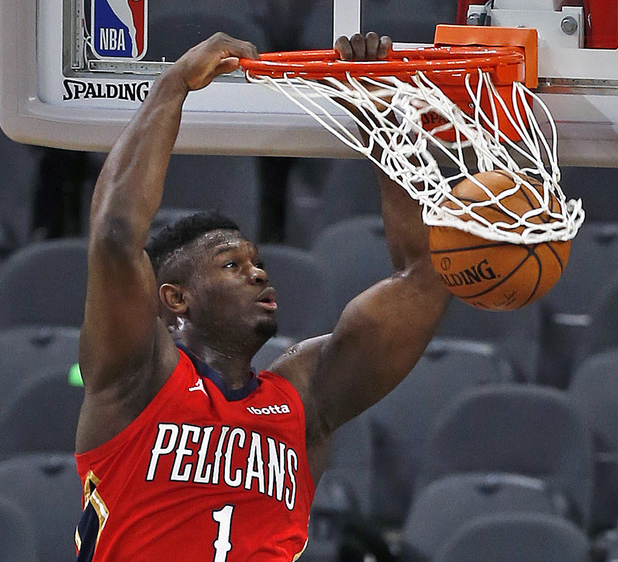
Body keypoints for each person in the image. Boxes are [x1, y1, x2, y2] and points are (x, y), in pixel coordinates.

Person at [75, 31, 451, 561]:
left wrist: (385, 122)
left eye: (257, 264)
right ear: (175, 299)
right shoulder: (135, 378)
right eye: (232, 264)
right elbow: (114, 236)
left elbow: (424, 280)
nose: (258, 275)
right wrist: (174, 84)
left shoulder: (304, 397)